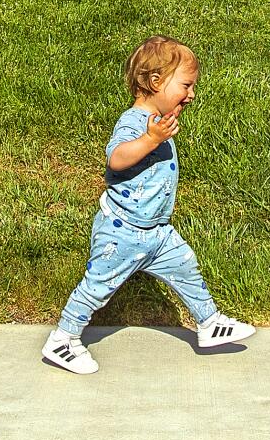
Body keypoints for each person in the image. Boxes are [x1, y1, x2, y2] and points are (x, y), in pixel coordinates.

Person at [41, 36, 255, 373]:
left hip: (157, 231)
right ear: (156, 82)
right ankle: (63, 340)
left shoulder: (157, 123)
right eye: (186, 85)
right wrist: (150, 139)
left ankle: (210, 323)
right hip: (123, 232)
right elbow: (117, 158)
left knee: (186, 267)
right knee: (96, 287)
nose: (192, 94)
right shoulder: (134, 122)